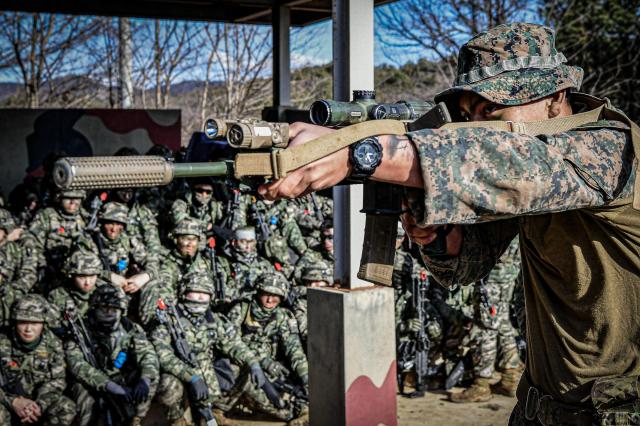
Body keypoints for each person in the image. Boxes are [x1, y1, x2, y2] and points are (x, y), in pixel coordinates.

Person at [258, 22, 640, 424]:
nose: (478, 124)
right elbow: (466, 264)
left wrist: (360, 152)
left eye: (492, 107)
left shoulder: (610, 148)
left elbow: (508, 161)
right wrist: (436, 235)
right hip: (541, 408)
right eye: (468, 113)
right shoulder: (524, 173)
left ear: (556, 96)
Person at [150, 271, 266, 426]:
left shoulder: (213, 319)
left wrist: (253, 363)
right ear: (184, 293)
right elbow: (163, 356)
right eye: (195, 292)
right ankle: (177, 420)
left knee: (242, 369)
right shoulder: (168, 320)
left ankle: (215, 412)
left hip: (205, 370)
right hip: (178, 373)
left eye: (204, 294)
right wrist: (191, 377)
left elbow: (233, 344)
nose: (200, 297)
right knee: (168, 384)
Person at [65, 285, 159, 426]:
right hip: (92, 381)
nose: (109, 312)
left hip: (121, 377)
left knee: (151, 376)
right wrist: (109, 386)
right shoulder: (80, 331)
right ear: (94, 308)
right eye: (104, 308)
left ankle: (136, 419)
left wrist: (144, 380)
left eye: (114, 309)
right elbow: (76, 364)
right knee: (83, 396)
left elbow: (147, 353)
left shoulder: (129, 328)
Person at [227, 273, 309, 425]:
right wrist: (262, 361)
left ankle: (302, 410)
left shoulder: (283, 316)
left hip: (274, 367)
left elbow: (294, 350)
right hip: (246, 365)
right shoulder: (241, 310)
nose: (270, 300)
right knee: (236, 373)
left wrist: (306, 378)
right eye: (266, 294)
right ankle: (219, 411)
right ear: (258, 292)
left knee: (293, 390)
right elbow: (232, 343)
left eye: (275, 295)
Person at [450, 238, 524, 403]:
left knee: (485, 327)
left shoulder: (498, 217)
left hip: (492, 278)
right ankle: (511, 378)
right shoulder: (516, 218)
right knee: (503, 323)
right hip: (508, 275)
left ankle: (481, 385)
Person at [0, 294, 76, 425]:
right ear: (15, 322)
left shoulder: (53, 344)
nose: (28, 329)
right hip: (9, 402)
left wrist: (38, 406)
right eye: (23, 322)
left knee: (66, 407)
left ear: (44, 323)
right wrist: (14, 402)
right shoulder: (2, 342)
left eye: (35, 323)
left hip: (39, 403)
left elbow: (58, 380)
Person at [22, 189, 87, 293]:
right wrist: (41, 265)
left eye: (76, 199)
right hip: (48, 268)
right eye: (68, 198)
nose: (72, 203)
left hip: (77, 271)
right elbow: (33, 241)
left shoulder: (85, 218)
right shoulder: (46, 215)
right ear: (59, 199)